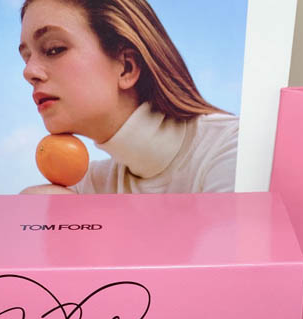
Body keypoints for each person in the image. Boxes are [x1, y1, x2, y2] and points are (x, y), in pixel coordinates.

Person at [19, 0, 239, 194]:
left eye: (54, 49)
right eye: (27, 58)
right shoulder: (86, 189)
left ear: (126, 67)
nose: (28, 72)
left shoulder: (232, 148)